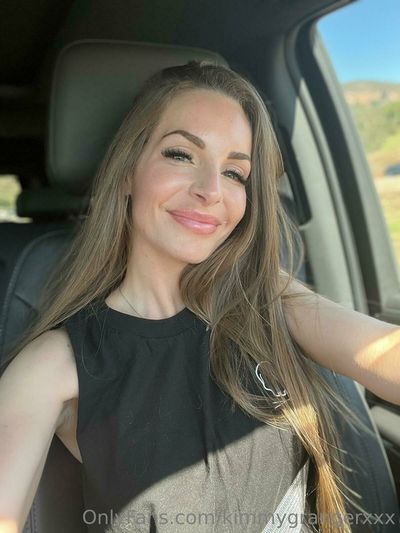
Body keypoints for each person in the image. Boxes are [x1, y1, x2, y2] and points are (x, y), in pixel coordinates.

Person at [0, 60, 399, 533]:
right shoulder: (52, 365)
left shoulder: (268, 298)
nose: (212, 191)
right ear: (127, 172)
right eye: (181, 154)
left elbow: (385, 355)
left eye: (235, 173)